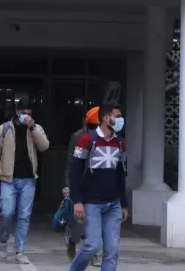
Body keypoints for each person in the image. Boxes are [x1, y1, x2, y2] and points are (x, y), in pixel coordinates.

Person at [0, 98, 50, 265]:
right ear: (16, 112)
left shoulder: (35, 128)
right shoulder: (4, 129)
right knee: (6, 213)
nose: (25, 116)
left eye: (28, 113)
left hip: (29, 180)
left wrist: (32, 126)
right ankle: (3, 240)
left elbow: (44, 146)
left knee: (24, 217)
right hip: (8, 179)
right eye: (23, 113)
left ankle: (20, 251)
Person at [68, 104, 129, 271]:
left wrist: (123, 203)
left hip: (113, 204)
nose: (120, 120)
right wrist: (77, 201)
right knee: (92, 245)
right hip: (92, 203)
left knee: (112, 250)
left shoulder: (120, 143)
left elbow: (121, 174)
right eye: (117, 116)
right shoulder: (87, 140)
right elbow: (75, 171)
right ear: (105, 118)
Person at [63, 106, 103, 266]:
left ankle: (95, 253)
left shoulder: (106, 137)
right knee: (78, 221)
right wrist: (68, 185)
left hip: (98, 184)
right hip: (80, 183)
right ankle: (72, 241)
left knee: (97, 219)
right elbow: (71, 163)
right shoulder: (77, 137)